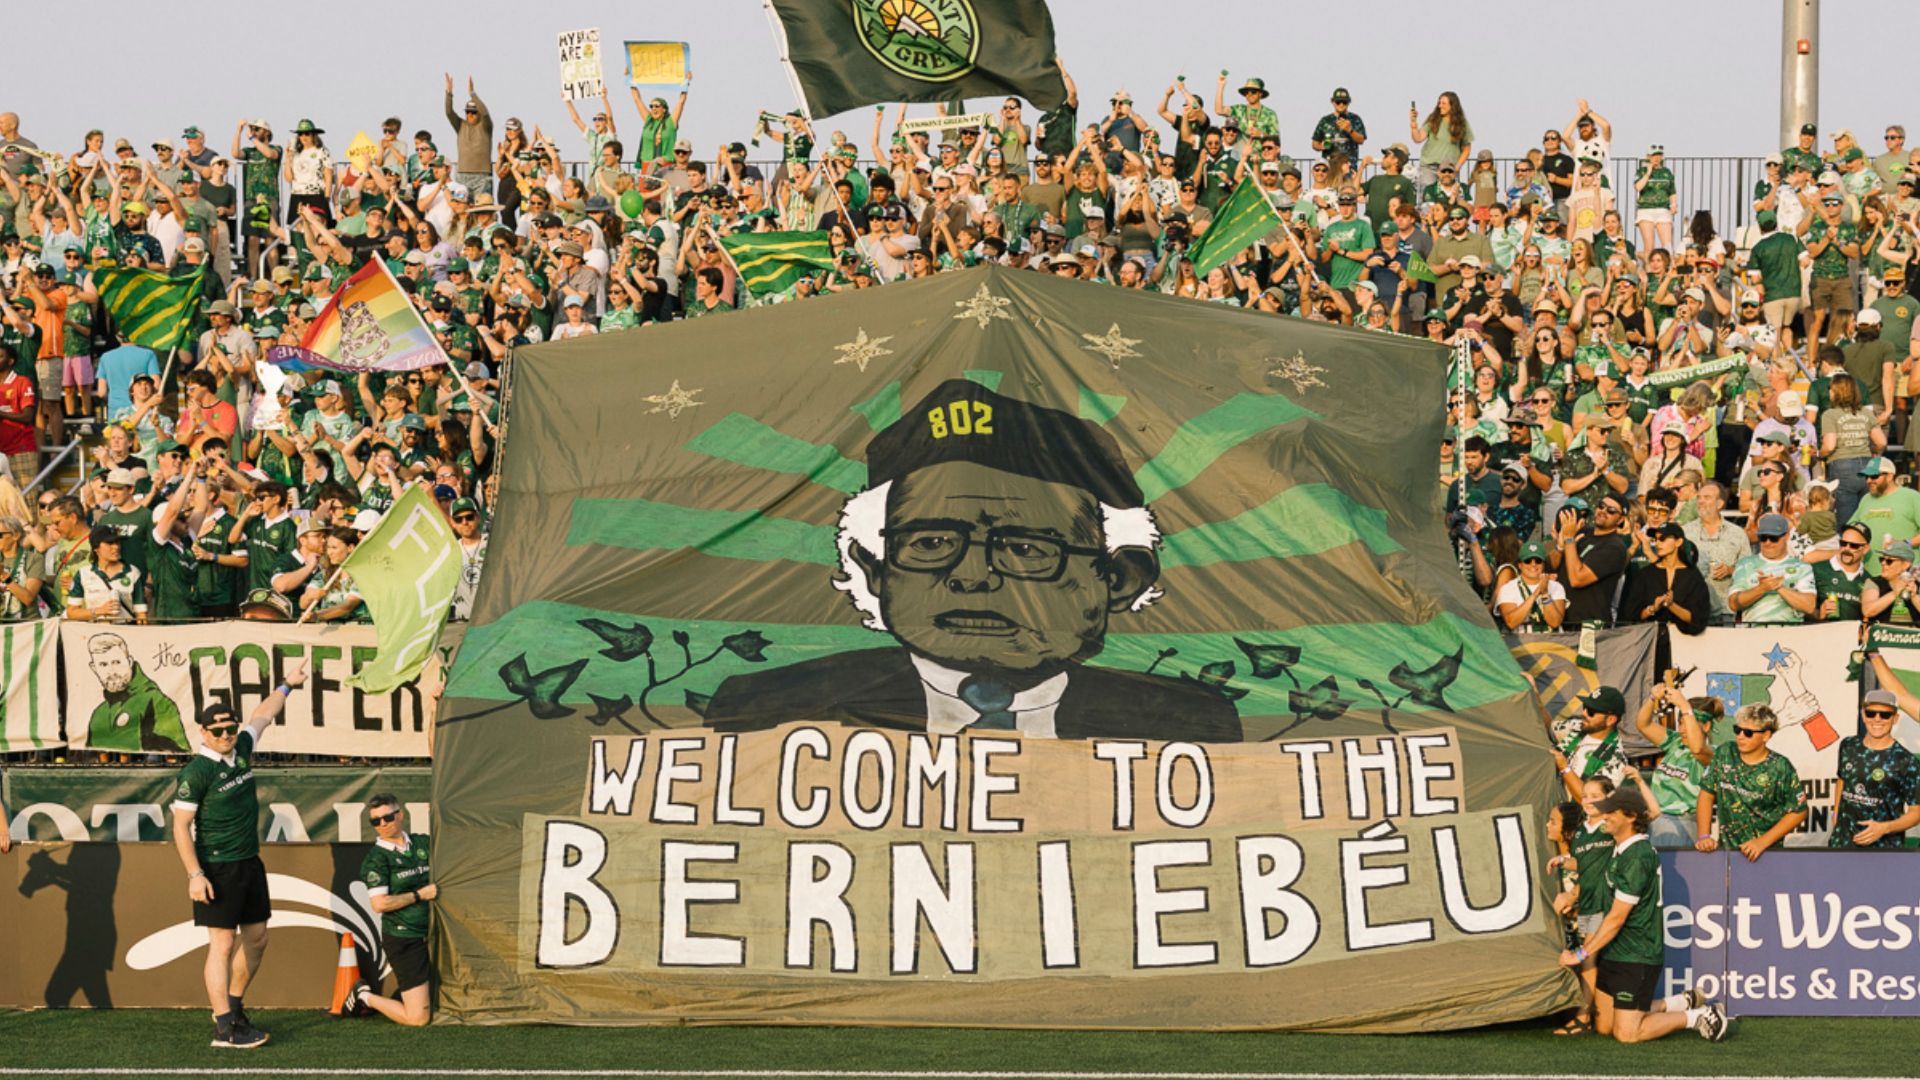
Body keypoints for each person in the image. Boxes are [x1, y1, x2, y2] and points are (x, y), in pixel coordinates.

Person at [705, 380, 1240, 739]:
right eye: (932, 544)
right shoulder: (766, 711)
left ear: (1120, 579)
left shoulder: (1185, 725)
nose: (970, 576)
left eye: (1026, 549)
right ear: (875, 569)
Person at [170, 660, 310, 1050]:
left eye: (230, 729)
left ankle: (234, 1006)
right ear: (203, 732)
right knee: (222, 944)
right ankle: (224, 1027)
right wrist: (195, 875)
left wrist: (287, 685)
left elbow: (262, 715)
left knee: (258, 938)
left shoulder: (242, 747)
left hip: (250, 861)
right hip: (217, 867)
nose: (227, 735)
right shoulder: (196, 772)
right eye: (218, 731)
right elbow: (180, 827)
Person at [1562, 784, 1729, 1044]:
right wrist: (1573, 895)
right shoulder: (1619, 849)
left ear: (1630, 817)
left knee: (1626, 1034)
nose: (1603, 816)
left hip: (1635, 956)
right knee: (1604, 1026)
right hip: (1614, 952)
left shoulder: (1637, 857)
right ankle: (1676, 1002)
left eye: (1610, 812)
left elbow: (1616, 919)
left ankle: (1699, 1016)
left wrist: (1581, 953)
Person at [346, 795, 436, 1026]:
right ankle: (364, 996)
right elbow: (380, 904)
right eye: (376, 821)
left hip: (435, 933)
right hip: (404, 937)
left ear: (400, 815)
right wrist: (418, 895)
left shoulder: (421, 843)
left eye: (387, 817)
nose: (383, 824)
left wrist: (440, 811)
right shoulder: (376, 859)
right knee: (418, 1018)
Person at [1695, 703, 1808, 861]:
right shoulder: (1725, 753)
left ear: (1766, 735)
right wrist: (1703, 835)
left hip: (1766, 855)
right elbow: (1706, 794)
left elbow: (1798, 811)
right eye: (1737, 730)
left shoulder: (1780, 767)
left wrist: (1762, 842)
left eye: (1748, 732)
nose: (1740, 736)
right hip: (1726, 854)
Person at [1547, 774, 1614, 1036]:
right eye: (1584, 795)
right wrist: (1564, 862)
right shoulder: (1584, 831)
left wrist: (1573, 894)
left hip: (1605, 902)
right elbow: (1586, 865)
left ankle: (1583, 1016)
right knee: (1589, 958)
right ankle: (1685, 1003)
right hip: (1589, 903)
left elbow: (1603, 869)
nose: (1587, 801)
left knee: (1588, 956)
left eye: (1595, 796)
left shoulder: (1612, 826)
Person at [1830, 681, 1920, 849]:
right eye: (1871, 713)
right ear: (1864, 715)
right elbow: (1842, 780)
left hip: (1884, 849)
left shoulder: (1906, 761)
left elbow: (1916, 813)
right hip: (1842, 843)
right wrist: (1836, 813)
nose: (1877, 719)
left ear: (1895, 718)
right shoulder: (1848, 745)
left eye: (1885, 715)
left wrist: (1885, 828)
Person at [1630, 683, 1717, 848]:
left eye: (1688, 722)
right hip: (1653, 819)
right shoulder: (1675, 742)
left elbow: (1697, 748)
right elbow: (1643, 725)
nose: (1683, 729)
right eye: (1681, 723)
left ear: (1706, 726)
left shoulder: (1714, 754)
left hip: (1681, 824)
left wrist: (1684, 705)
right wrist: (1652, 698)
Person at [1548, 493, 1629, 626]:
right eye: (1601, 506)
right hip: (1561, 620)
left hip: (1589, 625)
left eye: (1611, 510)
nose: (1603, 511)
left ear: (1620, 520)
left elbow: (1577, 579)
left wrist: (1569, 540)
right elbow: (1551, 566)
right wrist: (1560, 547)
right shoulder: (1582, 531)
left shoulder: (1615, 547)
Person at [1621, 523, 1708, 634]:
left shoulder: (1693, 576)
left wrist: (1671, 605)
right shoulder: (1645, 574)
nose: (1657, 543)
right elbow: (1631, 615)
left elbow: (1698, 619)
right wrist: (1652, 609)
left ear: (1678, 542)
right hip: (1650, 641)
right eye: (1655, 539)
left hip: (1683, 644)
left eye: (1662, 538)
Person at [1728, 513, 1816, 623]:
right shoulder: (1744, 564)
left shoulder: (1802, 567)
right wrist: (1761, 589)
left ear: (1787, 536)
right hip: (1754, 633)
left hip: (1790, 634)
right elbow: (1733, 604)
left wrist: (1779, 588)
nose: (1768, 543)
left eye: (1774, 538)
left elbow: (1809, 606)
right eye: (1763, 538)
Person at [1813, 522, 1875, 621]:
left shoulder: (1869, 581)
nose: (1846, 548)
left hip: (1852, 636)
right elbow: (1802, 611)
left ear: (1865, 549)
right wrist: (1818, 614)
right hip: (1821, 634)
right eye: (1843, 543)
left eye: (1853, 546)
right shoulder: (1817, 570)